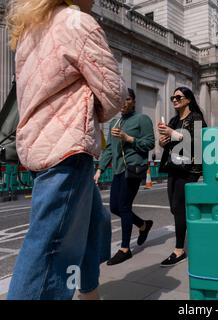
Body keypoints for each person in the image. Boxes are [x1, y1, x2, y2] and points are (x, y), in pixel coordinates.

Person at [6, 0, 127, 300]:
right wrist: (90, 106)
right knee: (48, 247)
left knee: (91, 223)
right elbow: (114, 93)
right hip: (68, 147)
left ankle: (90, 293)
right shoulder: (77, 23)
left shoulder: (30, 33)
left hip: (40, 145)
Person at [94, 88, 155, 265]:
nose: (124, 103)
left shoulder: (142, 119)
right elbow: (108, 150)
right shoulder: (115, 122)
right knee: (114, 207)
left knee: (124, 206)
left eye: (127, 99)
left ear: (134, 101)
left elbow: (149, 143)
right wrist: (100, 170)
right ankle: (143, 225)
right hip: (119, 171)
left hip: (133, 170)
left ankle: (125, 248)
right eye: (120, 100)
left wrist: (128, 138)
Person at [158, 87, 207, 267]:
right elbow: (172, 144)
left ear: (188, 99)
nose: (174, 100)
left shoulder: (195, 118)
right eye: (173, 97)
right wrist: (163, 142)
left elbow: (197, 142)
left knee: (179, 207)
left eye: (178, 97)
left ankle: (179, 249)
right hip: (174, 166)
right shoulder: (173, 120)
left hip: (189, 169)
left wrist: (173, 134)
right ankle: (196, 235)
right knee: (175, 207)